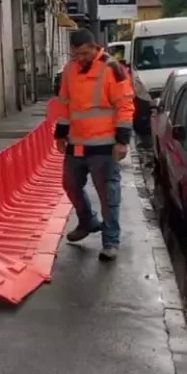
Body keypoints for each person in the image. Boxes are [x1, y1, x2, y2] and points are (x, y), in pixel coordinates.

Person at [54, 29, 134, 261]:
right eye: (77, 54)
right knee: (70, 185)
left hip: (104, 146)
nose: (81, 58)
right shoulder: (70, 70)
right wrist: (60, 134)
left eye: (85, 53)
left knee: (109, 195)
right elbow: (64, 104)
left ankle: (110, 241)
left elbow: (125, 105)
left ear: (95, 47)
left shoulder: (112, 68)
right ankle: (88, 221)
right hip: (77, 144)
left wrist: (121, 141)